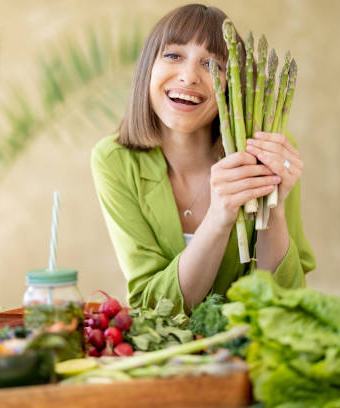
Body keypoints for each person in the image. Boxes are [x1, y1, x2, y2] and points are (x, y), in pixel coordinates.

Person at [91, 4, 315, 315]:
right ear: (148, 68)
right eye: (173, 56)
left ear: (231, 85)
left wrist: (272, 209)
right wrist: (219, 215)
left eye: (212, 65)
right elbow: (153, 307)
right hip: (164, 358)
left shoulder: (270, 150)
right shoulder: (115, 160)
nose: (188, 77)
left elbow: (283, 303)